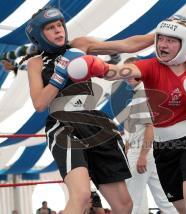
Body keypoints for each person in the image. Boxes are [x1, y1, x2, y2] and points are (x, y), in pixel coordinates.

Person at [70, 15, 186, 214]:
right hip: (163, 146)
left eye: (170, 40)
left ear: (185, 44)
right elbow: (120, 71)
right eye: (160, 38)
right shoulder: (150, 66)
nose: (162, 44)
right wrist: (96, 67)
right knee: (181, 209)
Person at [24, 7, 154, 214]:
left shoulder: (79, 45)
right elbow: (39, 104)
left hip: (95, 123)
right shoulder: (35, 63)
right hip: (63, 124)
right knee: (82, 196)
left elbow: (127, 45)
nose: (58, 30)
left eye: (59, 25)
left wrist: (162, 35)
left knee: (124, 205)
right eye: (50, 28)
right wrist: (60, 75)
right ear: (39, 36)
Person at [123, 57, 178, 214]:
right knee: (163, 199)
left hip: (142, 150)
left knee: (134, 199)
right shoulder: (143, 93)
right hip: (146, 150)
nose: (126, 76)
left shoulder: (143, 94)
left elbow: (150, 127)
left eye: (129, 72)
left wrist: (142, 155)